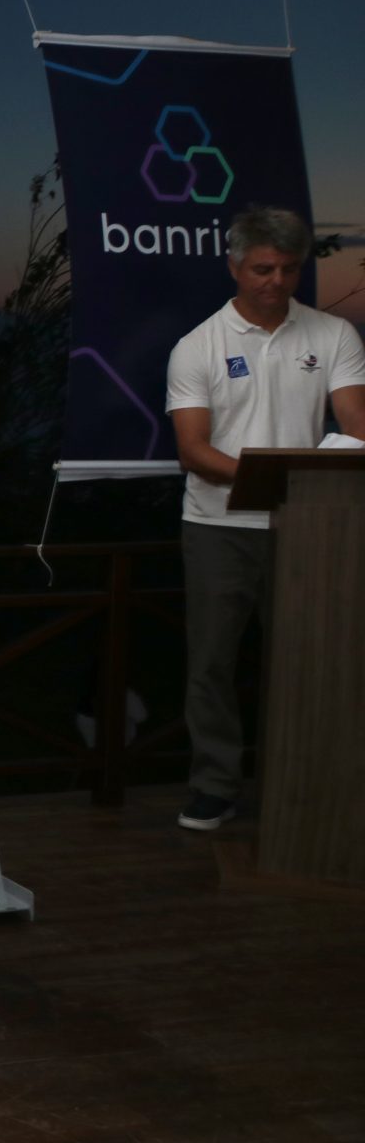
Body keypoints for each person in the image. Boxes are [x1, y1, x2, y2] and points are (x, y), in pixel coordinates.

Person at [165, 206, 365, 831]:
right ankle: (215, 787)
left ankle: (304, 786)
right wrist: (274, 481)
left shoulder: (334, 335)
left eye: (288, 269)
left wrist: (321, 474)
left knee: (312, 659)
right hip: (217, 528)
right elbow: (192, 450)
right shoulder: (197, 346)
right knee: (213, 664)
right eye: (262, 269)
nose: (277, 281)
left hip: (308, 529)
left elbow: (357, 424)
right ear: (234, 266)